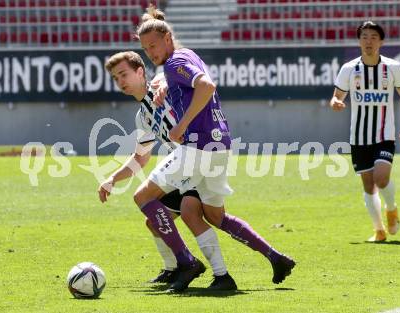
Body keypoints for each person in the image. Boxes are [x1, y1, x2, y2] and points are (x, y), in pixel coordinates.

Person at [134, 5, 296, 293]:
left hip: (197, 147)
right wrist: (162, 85)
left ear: (168, 38)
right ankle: (268, 260)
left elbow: (206, 86)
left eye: (154, 46)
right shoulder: (187, 56)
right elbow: (186, 79)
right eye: (146, 49)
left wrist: (181, 126)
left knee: (144, 197)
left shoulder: (174, 62)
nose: (151, 52)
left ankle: (186, 263)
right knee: (215, 216)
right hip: (219, 146)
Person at [98, 51, 237, 290]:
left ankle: (191, 265)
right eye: (115, 78)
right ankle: (178, 269)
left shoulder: (163, 89)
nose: (120, 81)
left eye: (124, 74)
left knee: (181, 210)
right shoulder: (142, 116)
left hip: (197, 157)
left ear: (140, 72)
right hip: (183, 169)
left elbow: (179, 80)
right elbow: (140, 158)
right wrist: (113, 178)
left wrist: (162, 79)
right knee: (157, 221)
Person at [330, 21, 400, 242]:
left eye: (373, 37)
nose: (368, 41)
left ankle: (391, 208)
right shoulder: (349, 69)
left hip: (384, 135)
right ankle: (378, 230)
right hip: (359, 137)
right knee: (368, 185)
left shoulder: (393, 68)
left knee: (381, 179)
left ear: (381, 41)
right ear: (359, 40)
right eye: (364, 36)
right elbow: (337, 96)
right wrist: (335, 102)